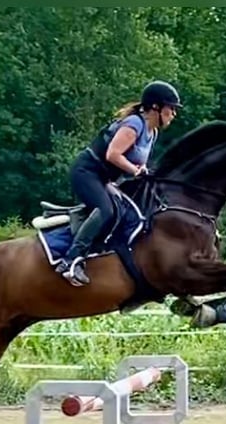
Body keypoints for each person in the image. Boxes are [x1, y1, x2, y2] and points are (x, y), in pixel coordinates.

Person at [54, 80, 183, 287]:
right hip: (86, 173)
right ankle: (70, 260)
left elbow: (139, 165)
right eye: (171, 109)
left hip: (105, 179)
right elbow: (113, 154)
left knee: (127, 209)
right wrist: (134, 170)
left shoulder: (152, 133)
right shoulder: (134, 125)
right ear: (156, 107)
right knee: (106, 210)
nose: (174, 114)